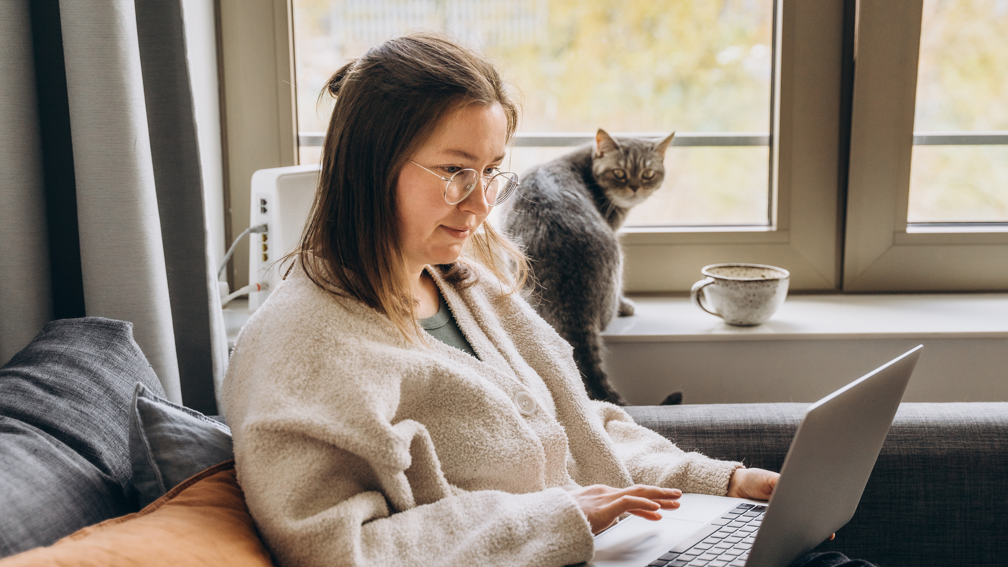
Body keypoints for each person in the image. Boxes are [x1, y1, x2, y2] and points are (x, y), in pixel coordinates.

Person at [222, 32, 866, 567]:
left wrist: (716, 481)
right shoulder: (304, 341)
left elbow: (575, 430)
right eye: (454, 172)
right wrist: (551, 518)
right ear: (368, 165)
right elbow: (334, 550)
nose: (480, 205)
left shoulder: (464, 283)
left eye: (492, 170)